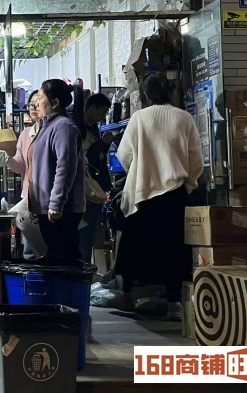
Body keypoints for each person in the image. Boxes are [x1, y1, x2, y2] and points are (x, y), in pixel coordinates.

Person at [114, 72, 204, 320]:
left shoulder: (139, 118)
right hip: (175, 195)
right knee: (175, 249)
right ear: (170, 92)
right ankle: (175, 303)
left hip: (144, 193)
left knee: (134, 246)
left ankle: (129, 295)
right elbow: (196, 158)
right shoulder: (184, 118)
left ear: (145, 95)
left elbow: (124, 155)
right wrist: (189, 184)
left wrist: (141, 170)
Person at [29, 79, 86, 260]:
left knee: (64, 259)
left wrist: (56, 203)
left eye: (40, 98)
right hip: (48, 208)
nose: (36, 103)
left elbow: (65, 167)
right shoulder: (46, 127)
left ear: (54, 103)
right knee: (55, 258)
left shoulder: (63, 127)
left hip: (62, 210)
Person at [5, 90, 47, 258]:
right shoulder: (25, 134)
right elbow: (20, 166)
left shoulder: (52, 131)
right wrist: (7, 160)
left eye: (37, 104)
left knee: (48, 245)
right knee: (29, 248)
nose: (33, 108)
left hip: (48, 197)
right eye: (31, 104)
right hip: (28, 198)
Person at [79, 93, 114, 263]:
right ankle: (83, 270)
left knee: (90, 233)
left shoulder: (92, 127)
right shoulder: (79, 128)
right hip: (86, 190)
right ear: (93, 108)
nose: (103, 117)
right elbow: (85, 159)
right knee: (84, 236)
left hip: (94, 188)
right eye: (103, 112)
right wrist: (103, 144)